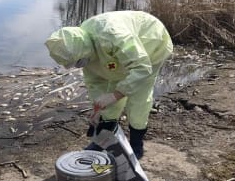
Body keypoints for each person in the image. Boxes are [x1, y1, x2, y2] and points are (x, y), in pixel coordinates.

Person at [45, 11, 173, 159]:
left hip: (151, 44)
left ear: (83, 50)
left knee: (138, 98)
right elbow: (95, 82)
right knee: (109, 97)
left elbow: (141, 68)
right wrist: (97, 107)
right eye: (76, 64)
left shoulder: (113, 35)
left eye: (79, 62)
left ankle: (136, 145)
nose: (80, 65)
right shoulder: (80, 47)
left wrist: (116, 95)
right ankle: (103, 140)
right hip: (120, 56)